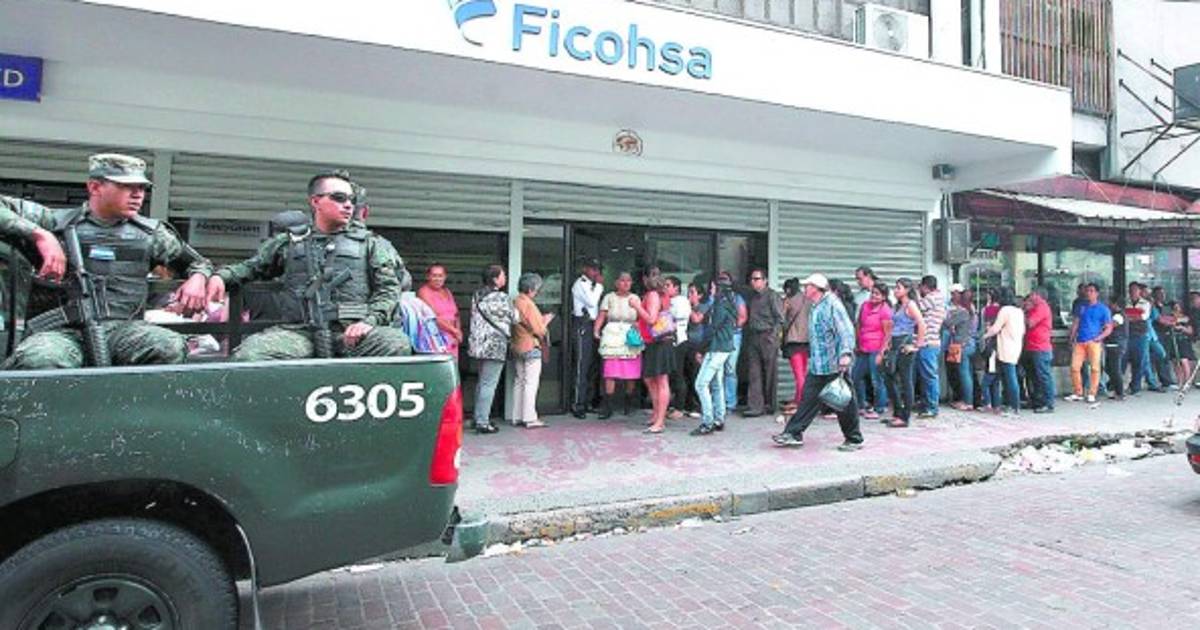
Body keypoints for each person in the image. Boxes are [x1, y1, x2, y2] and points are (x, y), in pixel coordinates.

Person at [1, 154, 213, 369]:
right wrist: (39, 235)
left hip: (122, 332)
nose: (137, 195)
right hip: (61, 334)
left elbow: (198, 263)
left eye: (141, 188)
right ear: (95, 187)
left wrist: (198, 277)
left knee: (168, 346)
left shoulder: (152, 234)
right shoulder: (53, 222)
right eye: (126, 187)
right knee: (41, 358)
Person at [207, 170, 410, 361]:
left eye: (351, 199)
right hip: (300, 333)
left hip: (351, 333)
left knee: (394, 343)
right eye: (339, 198)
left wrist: (369, 321)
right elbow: (251, 267)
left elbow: (388, 290)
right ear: (316, 201)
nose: (348, 205)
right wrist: (220, 277)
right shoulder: (289, 242)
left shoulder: (371, 243)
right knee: (250, 355)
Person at [773, 273, 864, 451]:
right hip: (819, 365)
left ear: (816, 288)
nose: (805, 289)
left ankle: (854, 438)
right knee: (808, 400)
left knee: (845, 402)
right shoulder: (816, 305)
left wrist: (846, 354)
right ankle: (793, 433)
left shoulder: (832, 305)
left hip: (835, 364)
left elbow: (846, 330)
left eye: (808, 286)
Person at [467, 264, 514, 434]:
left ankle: (478, 417)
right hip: (494, 346)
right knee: (489, 383)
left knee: (482, 382)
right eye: (503, 275)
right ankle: (482, 421)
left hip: (478, 344)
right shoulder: (502, 298)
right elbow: (514, 317)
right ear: (495, 279)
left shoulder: (477, 295)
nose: (505, 278)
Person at [690, 277, 738, 436]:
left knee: (701, 384)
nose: (710, 291)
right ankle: (719, 418)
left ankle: (708, 422)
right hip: (724, 348)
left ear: (719, 289)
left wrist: (701, 350)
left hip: (716, 349)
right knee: (716, 384)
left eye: (712, 288)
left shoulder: (719, 306)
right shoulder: (728, 303)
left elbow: (712, 329)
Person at [593, 272, 642, 418]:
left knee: (631, 372)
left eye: (629, 281)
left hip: (630, 335)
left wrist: (639, 327)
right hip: (612, 335)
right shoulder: (609, 297)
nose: (626, 283)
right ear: (616, 283)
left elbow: (642, 316)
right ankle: (608, 406)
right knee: (610, 371)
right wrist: (596, 330)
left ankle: (628, 403)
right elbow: (602, 315)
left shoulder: (635, 298)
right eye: (622, 280)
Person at [635, 267, 675, 434]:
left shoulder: (652, 295)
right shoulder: (664, 295)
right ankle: (657, 414)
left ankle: (660, 421)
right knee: (651, 378)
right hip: (660, 340)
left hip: (657, 342)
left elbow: (651, 319)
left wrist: (637, 306)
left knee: (660, 380)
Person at [511, 272, 554, 429]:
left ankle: (516, 415)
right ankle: (529, 418)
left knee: (519, 381)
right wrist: (545, 321)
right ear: (531, 289)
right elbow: (539, 330)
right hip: (530, 345)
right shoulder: (529, 304)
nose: (537, 292)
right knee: (531, 383)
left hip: (517, 344)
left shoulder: (515, 301)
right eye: (537, 289)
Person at [883, 278, 926, 427]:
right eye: (895, 287)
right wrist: (887, 344)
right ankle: (897, 412)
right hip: (895, 343)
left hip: (904, 343)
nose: (895, 290)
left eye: (898, 288)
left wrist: (916, 345)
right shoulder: (897, 306)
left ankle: (905, 416)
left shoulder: (910, 305)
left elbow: (921, 323)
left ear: (907, 290)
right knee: (889, 377)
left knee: (906, 380)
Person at [743, 268, 784, 418]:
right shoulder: (752, 297)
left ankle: (770, 405)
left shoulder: (772, 296)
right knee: (754, 372)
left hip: (767, 336)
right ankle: (755, 406)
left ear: (765, 280)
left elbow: (780, 319)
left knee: (770, 372)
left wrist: (774, 337)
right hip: (754, 336)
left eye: (757, 279)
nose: (753, 282)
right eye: (752, 279)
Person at [569, 258, 604, 418]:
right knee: (581, 366)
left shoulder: (593, 286)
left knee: (593, 367)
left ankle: (589, 401)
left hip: (594, 325)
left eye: (597, 269)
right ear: (585, 269)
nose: (595, 272)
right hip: (583, 324)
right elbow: (591, 302)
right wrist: (600, 286)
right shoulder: (581, 284)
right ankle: (578, 403)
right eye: (592, 269)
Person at [1066, 283, 1113, 404]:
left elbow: (1109, 327)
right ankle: (1078, 392)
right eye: (1087, 291)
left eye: (1092, 291)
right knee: (1075, 367)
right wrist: (1071, 337)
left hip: (1094, 342)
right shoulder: (1081, 307)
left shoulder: (1103, 309)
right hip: (1080, 341)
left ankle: (1092, 393)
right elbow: (1076, 323)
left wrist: (1099, 337)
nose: (1089, 293)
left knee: (1095, 368)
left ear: (1097, 293)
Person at [982, 288, 1025, 417]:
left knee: (1010, 378)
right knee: (1010, 377)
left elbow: (995, 328)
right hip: (1016, 346)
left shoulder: (1005, 310)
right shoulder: (1019, 311)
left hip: (1006, 347)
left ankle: (1014, 407)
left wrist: (984, 336)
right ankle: (1012, 406)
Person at [852, 282, 892, 420]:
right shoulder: (865, 306)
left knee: (877, 379)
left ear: (884, 297)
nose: (873, 296)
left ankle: (879, 407)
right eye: (872, 293)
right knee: (856, 376)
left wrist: (882, 352)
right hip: (863, 347)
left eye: (877, 294)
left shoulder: (885, 310)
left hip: (876, 348)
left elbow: (888, 334)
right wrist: (857, 342)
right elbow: (859, 324)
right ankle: (861, 405)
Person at [718, 270, 749, 415]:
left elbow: (743, 317)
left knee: (730, 369)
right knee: (717, 369)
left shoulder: (737, 298)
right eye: (720, 279)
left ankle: (730, 403)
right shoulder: (716, 298)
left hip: (733, 336)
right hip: (718, 337)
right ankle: (719, 402)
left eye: (725, 279)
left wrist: (731, 327)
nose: (722, 282)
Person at [915, 275, 946, 418]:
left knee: (929, 376)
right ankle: (927, 404)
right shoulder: (939, 298)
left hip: (928, 342)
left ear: (925, 287)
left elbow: (916, 308)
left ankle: (932, 407)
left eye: (920, 287)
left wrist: (916, 294)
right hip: (930, 342)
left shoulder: (932, 298)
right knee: (927, 376)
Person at [417, 263, 462, 360]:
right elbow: (433, 317)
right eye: (434, 276)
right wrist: (454, 331)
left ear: (445, 277)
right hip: (436, 338)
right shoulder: (424, 292)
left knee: (452, 366)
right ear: (428, 277)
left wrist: (458, 331)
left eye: (440, 276)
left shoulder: (447, 291)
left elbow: (456, 314)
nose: (438, 279)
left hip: (452, 338)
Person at [665, 276, 694, 420]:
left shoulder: (682, 301)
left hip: (679, 341)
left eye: (668, 285)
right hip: (669, 342)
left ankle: (680, 407)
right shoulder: (667, 300)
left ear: (676, 287)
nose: (665, 288)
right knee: (670, 374)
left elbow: (679, 316)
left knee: (678, 373)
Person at [781, 277, 812, 414]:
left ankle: (802, 403)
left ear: (788, 289)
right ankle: (798, 400)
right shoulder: (808, 300)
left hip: (794, 341)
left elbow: (781, 318)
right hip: (807, 341)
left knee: (799, 375)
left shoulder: (788, 301)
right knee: (802, 373)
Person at [1023, 287, 1056, 413]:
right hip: (1031, 346)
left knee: (1043, 376)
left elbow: (1030, 323)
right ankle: (1037, 400)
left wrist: (1020, 314)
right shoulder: (1034, 308)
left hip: (1040, 347)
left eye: (1032, 295)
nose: (1030, 297)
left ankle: (1048, 403)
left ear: (1038, 295)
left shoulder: (1042, 307)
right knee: (1034, 377)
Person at [943, 284, 975, 411]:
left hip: (961, 345)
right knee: (966, 373)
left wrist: (945, 314)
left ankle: (967, 402)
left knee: (963, 373)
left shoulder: (962, 312)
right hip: (967, 344)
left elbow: (947, 323)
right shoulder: (970, 310)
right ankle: (966, 400)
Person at [1126, 282, 1155, 395]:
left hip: (1140, 335)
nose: (1132, 292)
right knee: (1124, 360)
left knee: (1139, 361)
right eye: (1130, 290)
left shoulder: (1145, 303)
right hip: (1127, 334)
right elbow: (1123, 316)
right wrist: (1133, 315)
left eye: (1135, 290)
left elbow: (1142, 317)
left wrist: (1129, 316)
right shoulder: (1126, 303)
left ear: (1139, 291)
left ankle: (1136, 386)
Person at [1165, 301, 1195, 391]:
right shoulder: (1169, 318)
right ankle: (1180, 382)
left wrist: (1181, 328)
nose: (1176, 310)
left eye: (1178, 307)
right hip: (1173, 341)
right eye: (1174, 308)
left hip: (1183, 340)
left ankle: (1187, 382)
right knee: (1175, 361)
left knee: (1184, 361)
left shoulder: (1185, 318)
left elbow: (1190, 331)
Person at [1105, 294, 1129, 401]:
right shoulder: (1115, 315)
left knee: (1115, 369)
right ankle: (1113, 387)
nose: (1108, 305)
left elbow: (1109, 327)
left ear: (1115, 304)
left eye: (1110, 303)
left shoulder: (1118, 316)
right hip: (1112, 344)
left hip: (1116, 344)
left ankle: (1120, 392)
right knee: (1109, 368)